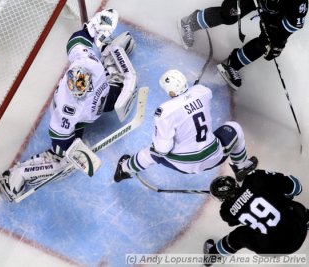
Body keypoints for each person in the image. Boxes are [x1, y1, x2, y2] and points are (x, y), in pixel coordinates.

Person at [0, 8, 138, 201]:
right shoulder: (66, 112)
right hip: (78, 122)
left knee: (118, 86)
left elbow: (76, 40)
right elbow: (61, 137)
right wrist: (73, 149)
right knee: (62, 162)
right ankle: (19, 174)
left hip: (102, 97)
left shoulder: (85, 61)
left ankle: (111, 54)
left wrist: (92, 29)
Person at [114, 69, 257, 183]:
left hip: (186, 164)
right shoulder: (201, 92)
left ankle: (125, 169)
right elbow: (203, 93)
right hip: (215, 155)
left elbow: (162, 149)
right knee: (234, 129)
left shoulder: (165, 111)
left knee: (152, 152)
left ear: (170, 91)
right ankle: (240, 167)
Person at [179, 0, 308, 89]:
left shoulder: (299, 4)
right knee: (229, 14)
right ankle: (189, 22)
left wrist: (278, 42)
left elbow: (290, 25)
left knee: (269, 43)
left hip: (275, 11)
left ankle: (232, 64)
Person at [204, 170, 309, 266]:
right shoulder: (254, 179)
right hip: (299, 228)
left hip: (273, 250)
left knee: (239, 236)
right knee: (286, 203)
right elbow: (297, 188)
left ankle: (211, 256)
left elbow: (231, 220)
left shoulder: (227, 212)